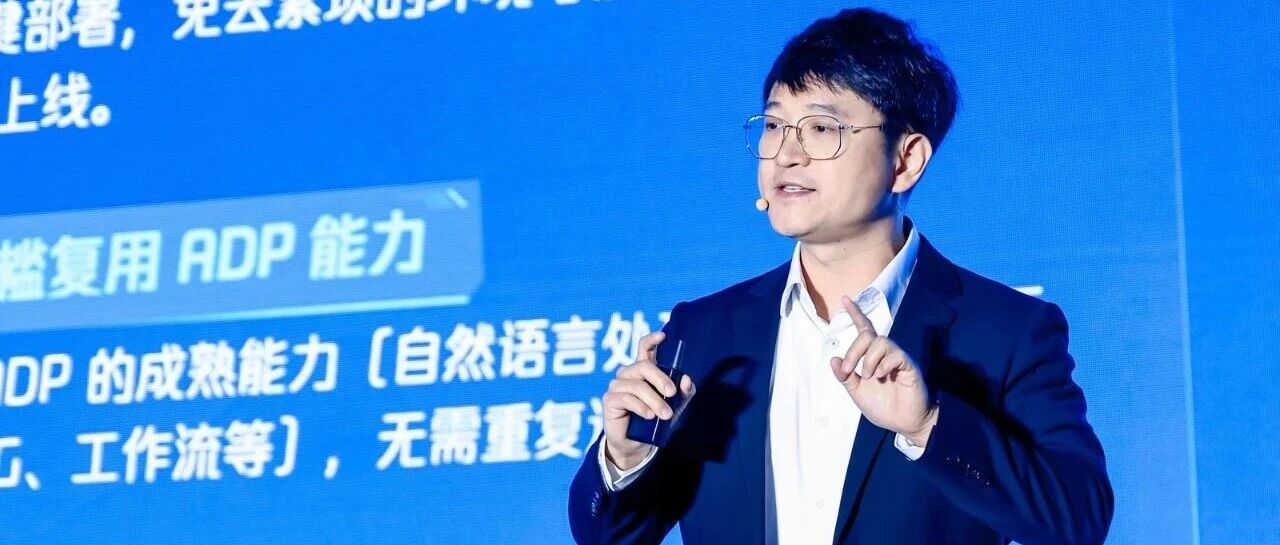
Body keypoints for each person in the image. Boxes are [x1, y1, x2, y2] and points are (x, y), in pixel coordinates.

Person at [568, 7, 1113, 545]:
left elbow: (1078, 519)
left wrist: (927, 425)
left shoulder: (1005, 331)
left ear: (906, 160)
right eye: (775, 125)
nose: (786, 154)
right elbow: (608, 536)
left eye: (822, 128)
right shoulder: (706, 331)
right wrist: (624, 457)